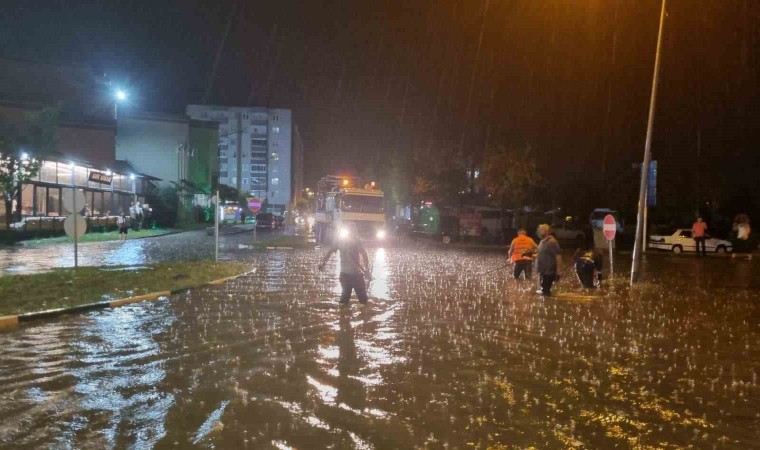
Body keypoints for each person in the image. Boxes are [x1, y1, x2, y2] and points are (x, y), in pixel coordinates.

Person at [318, 222, 370, 305]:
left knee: (344, 301)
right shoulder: (356, 241)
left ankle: (343, 316)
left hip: (344, 275)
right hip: (356, 275)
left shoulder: (339, 241)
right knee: (364, 301)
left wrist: (323, 264)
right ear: (354, 231)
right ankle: (364, 316)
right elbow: (364, 254)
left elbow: (330, 252)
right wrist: (367, 269)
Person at [535, 224, 562, 296]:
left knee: (546, 293)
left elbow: (558, 256)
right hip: (542, 271)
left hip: (548, 272)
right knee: (543, 291)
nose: (539, 232)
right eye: (539, 230)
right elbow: (542, 253)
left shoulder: (552, 242)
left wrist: (559, 270)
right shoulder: (542, 241)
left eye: (541, 230)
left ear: (546, 231)